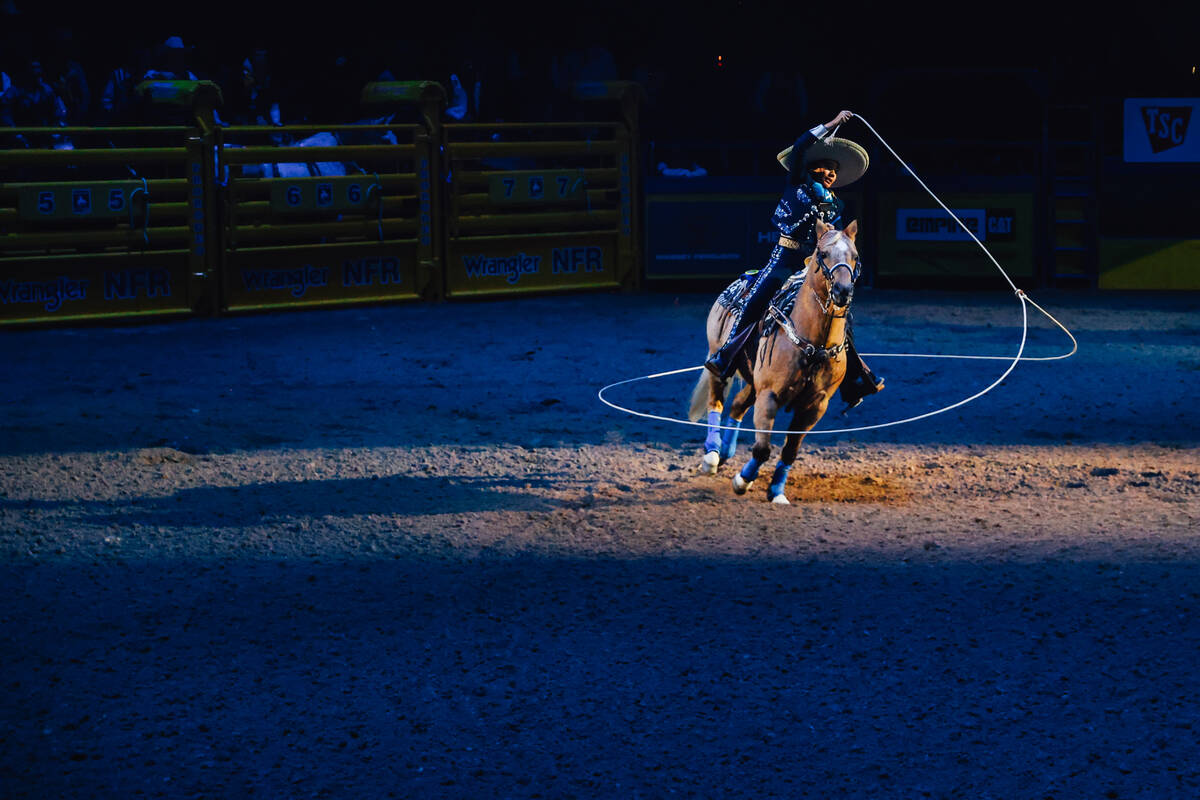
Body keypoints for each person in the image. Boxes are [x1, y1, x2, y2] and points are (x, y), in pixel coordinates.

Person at [703, 109, 884, 410]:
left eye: (834, 170)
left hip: (813, 267)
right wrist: (832, 125)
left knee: (842, 316)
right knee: (759, 298)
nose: (829, 173)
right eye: (824, 167)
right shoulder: (797, 183)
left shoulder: (836, 204)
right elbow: (800, 147)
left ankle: (854, 378)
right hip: (785, 259)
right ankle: (726, 355)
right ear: (810, 169)